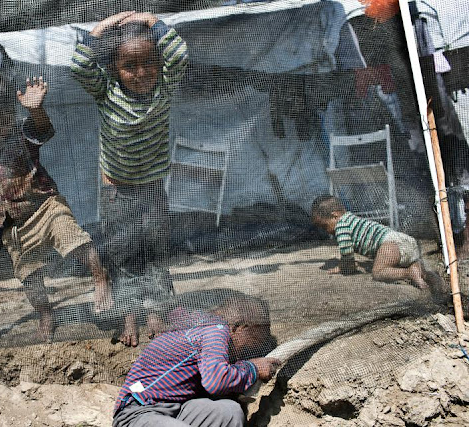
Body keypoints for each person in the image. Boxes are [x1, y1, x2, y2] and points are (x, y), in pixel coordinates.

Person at [0, 68, 112, 341]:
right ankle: (45, 313)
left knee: (74, 240)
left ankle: (100, 277)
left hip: (45, 206)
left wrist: (36, 110)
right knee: (29, 275)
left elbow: (43, 131)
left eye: (3, 119)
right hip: (13, 223)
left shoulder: (20, 132)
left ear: (11, 111)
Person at [71, 11, 189, 347]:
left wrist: (151, 20)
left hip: (152, 189)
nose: (141, 73)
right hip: (116, 193)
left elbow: (179, 53)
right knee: (123, 255)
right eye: (129, 66)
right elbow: (79, 65)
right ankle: (128, 315)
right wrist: (103, 29)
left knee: (154, 251)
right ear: (114, 69)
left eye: (149, 62)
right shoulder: (106, 92)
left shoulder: (163, 88)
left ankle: (155, 312)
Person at [112, 295, 281, 427]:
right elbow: (216, 380)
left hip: (176, 409)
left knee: (230, 412)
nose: (262, 343)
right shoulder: (216, 329)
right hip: (139, 413)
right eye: (260, 335)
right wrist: (253, 368)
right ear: (240, 327)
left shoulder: (200, 321)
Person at [311, 194, 439, 289]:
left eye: (325, 226)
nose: (326, 231)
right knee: (408, 263)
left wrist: (346, 267)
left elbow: (347, 251)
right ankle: (425, 275)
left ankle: (409, 273)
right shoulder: (352, 218)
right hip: (407, 242)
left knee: (378, 272)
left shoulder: (341, 225)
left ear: (335, 216)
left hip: (390, 244)